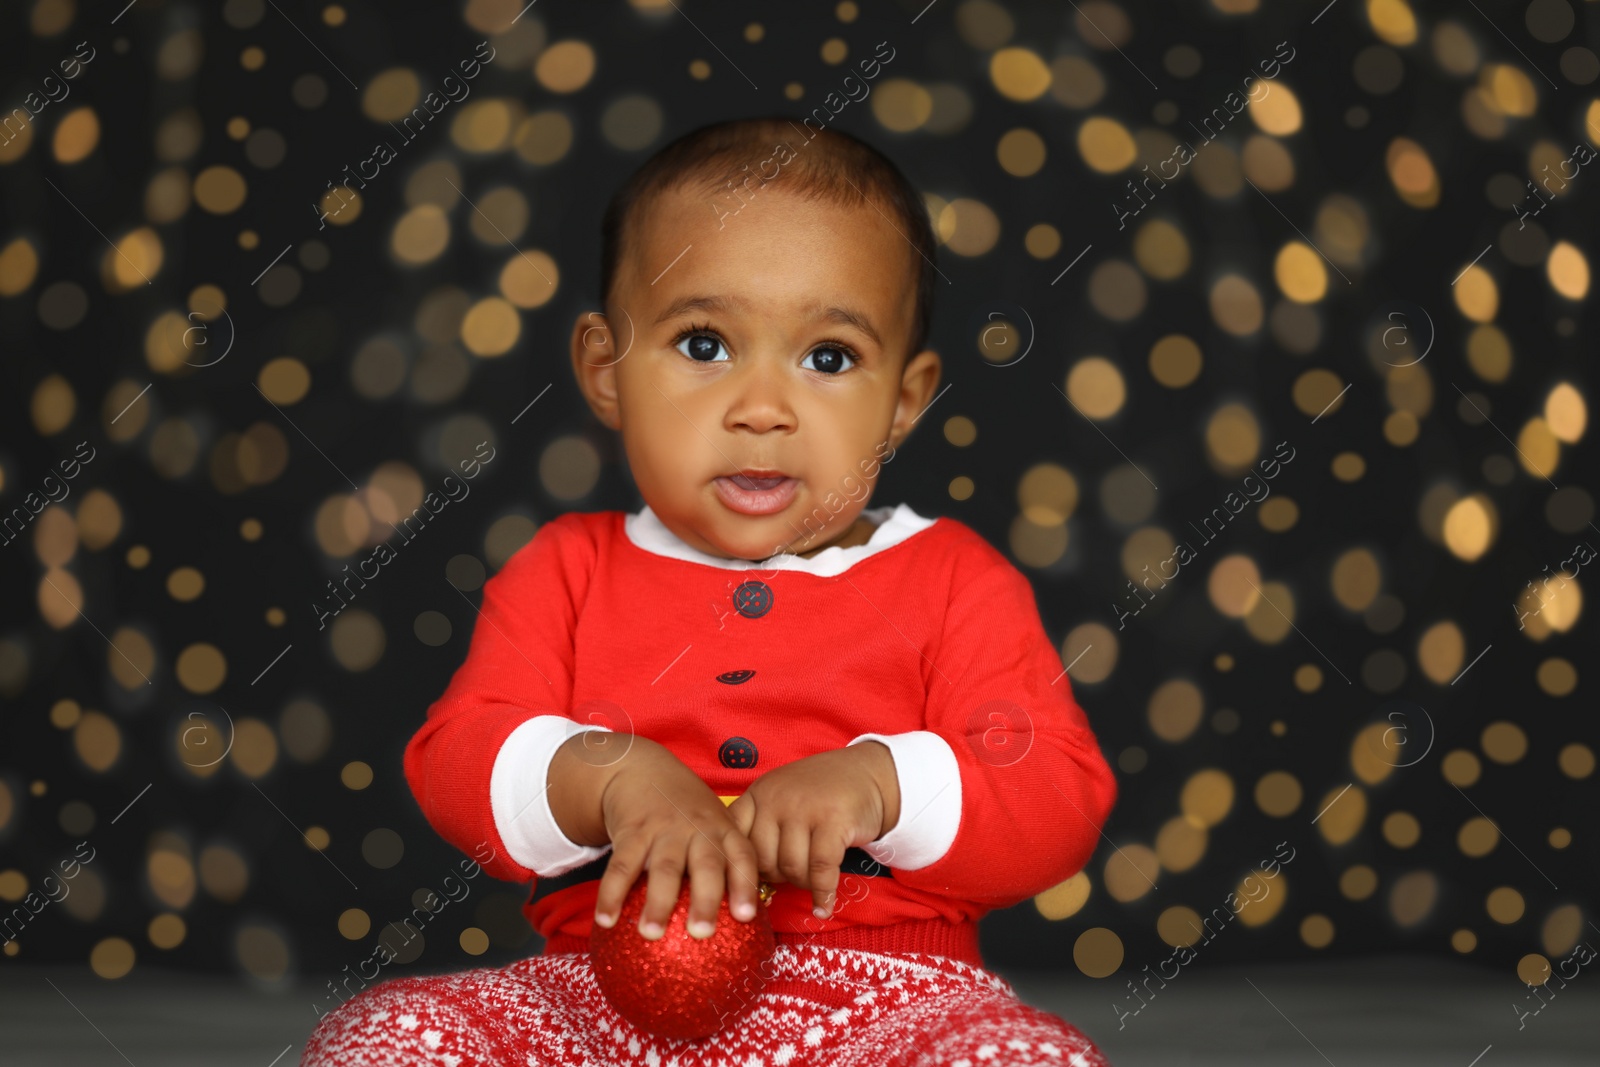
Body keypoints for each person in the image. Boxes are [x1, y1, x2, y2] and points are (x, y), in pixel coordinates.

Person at [302, 114, 1118, 1066]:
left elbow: (1054, 798)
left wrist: (878, 785)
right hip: (594, 1001)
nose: (763, 410)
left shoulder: (954, 578)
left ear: (902, 399)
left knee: (1024, 1054)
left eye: (829, 358)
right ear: (607, 370)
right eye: (702, 345)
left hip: (885, 1005)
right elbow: (456, 758)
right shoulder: (567, 568)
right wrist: (611, 776)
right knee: (388, 1034)